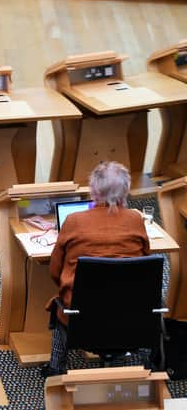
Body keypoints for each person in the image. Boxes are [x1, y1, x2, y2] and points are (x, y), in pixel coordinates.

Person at [42, 161, 150, 377]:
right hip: (130, 311)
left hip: (80, 314)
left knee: (59, 303)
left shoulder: (73, 221)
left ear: (93, 190)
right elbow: (145, 263)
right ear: (126, 191)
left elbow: (55, 271)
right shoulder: (136, 219)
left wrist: (66, 287)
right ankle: (150, 365)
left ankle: (56, 367)